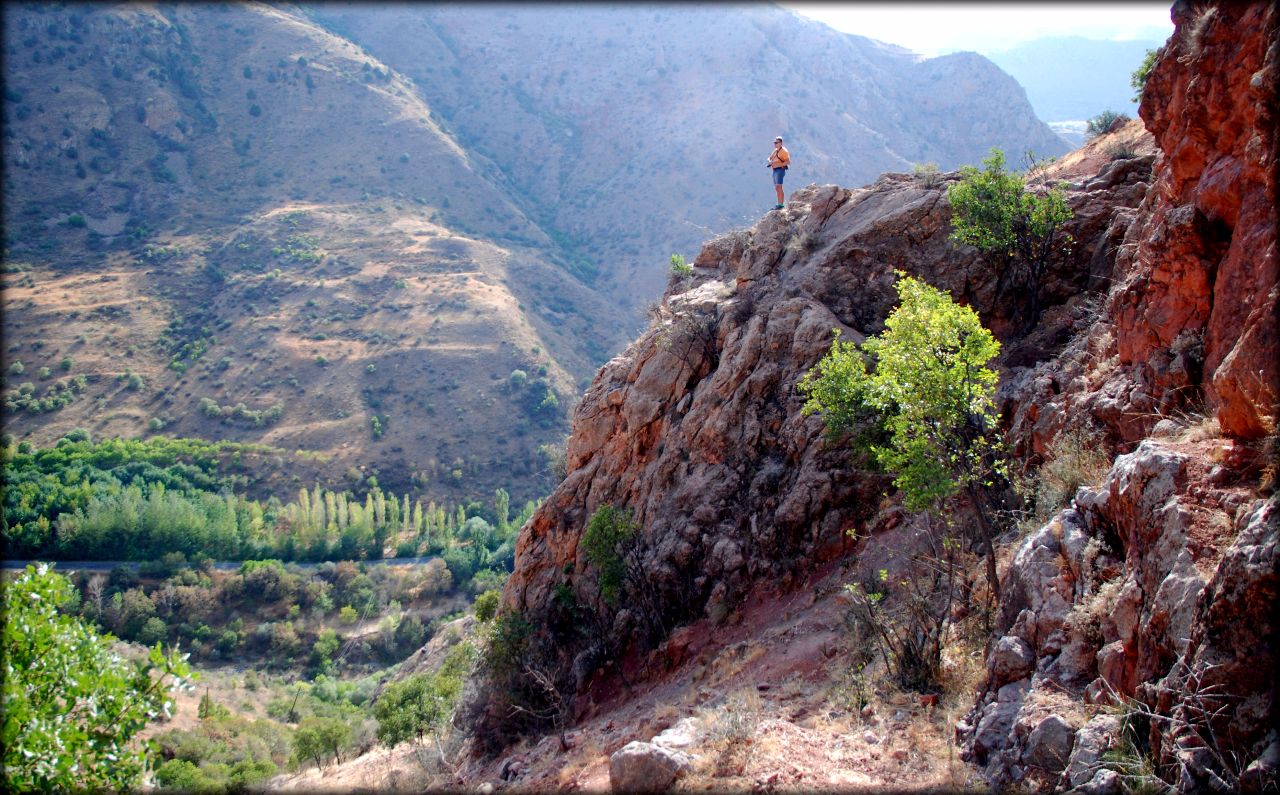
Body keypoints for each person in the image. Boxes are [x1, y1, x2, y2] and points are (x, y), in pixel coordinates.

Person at [767, 136, 790, 209]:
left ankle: (781, 204)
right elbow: (769, 157)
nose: (775, 144)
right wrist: (769, 161)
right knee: (777, 188)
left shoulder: (784, 151)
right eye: (774, 143)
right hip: (774, 170)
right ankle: (779, 203)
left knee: (779, 186)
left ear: (780, 143)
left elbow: (788, 161)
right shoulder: (775, 150)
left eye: (776, 143)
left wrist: (780, 164)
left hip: (780, 170)